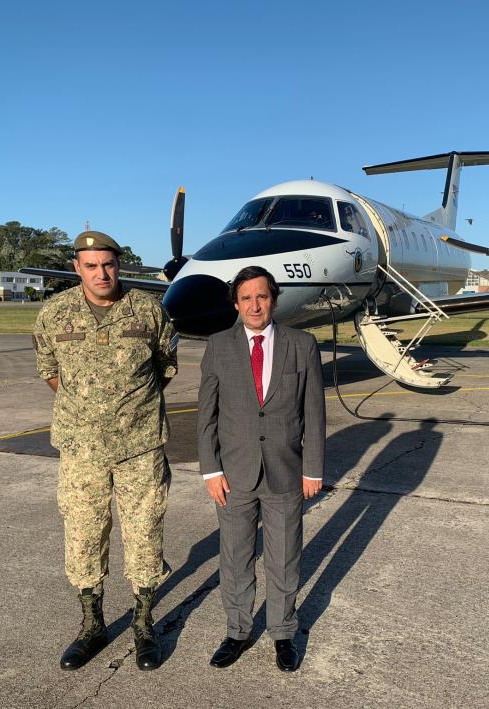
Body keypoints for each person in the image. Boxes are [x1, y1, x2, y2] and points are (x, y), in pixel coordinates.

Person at [32, 230, 178, 672]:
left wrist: (126, 409)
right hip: (82, 450)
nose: (101, 273)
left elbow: (164, 367)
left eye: (108, 264)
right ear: (77, 268)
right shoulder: (54, 315)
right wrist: (91, 411)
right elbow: (49, 372)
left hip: (140, 446)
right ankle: (91, 625)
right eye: (91, 265)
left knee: (144, 533)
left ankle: (144, 624)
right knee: (83, 534)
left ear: (119, 265)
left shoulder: (149, 312)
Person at [197, 265, 325, 672]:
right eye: (247, 297)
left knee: (284, 556)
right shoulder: (218, 346)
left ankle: (283, 632)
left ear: (274, 298)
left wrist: (313, 469)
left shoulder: (301, 344)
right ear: (236, 303)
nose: (255, 305)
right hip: (233, 475)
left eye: (263, 296)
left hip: (285, 472)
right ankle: (237, 631)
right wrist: (210, 470)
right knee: (234, 556)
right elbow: (207, 416)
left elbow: (314, 414)